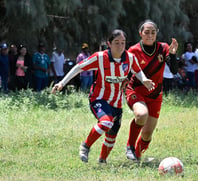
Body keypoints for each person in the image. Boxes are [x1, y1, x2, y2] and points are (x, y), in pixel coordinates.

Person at [52, 29, 155, 164]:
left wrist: (144, 79)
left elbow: (137, 70)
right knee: (106, 122)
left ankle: (102, 161)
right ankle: (85, 146)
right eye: (116, 43)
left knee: (111, 135)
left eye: (123, 43)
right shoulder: (100, 57)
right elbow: (79, 67)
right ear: (109, 44)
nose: (120, 46)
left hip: (116, 102)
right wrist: (62, 83)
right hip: (98, 98)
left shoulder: (129, 58)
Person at [125, 20, 178, 161]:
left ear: (157, 34)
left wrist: (172, 55)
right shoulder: (133, 51)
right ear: (140, 33)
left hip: (155, 95)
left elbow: (173, 70)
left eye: (153, 32)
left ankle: (137, 156)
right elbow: (126, 73)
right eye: (146, 32)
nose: (150, 35)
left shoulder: (163, 48)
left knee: (147, 133)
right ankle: (130, 146)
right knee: (141, 115)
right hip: (136, 91)